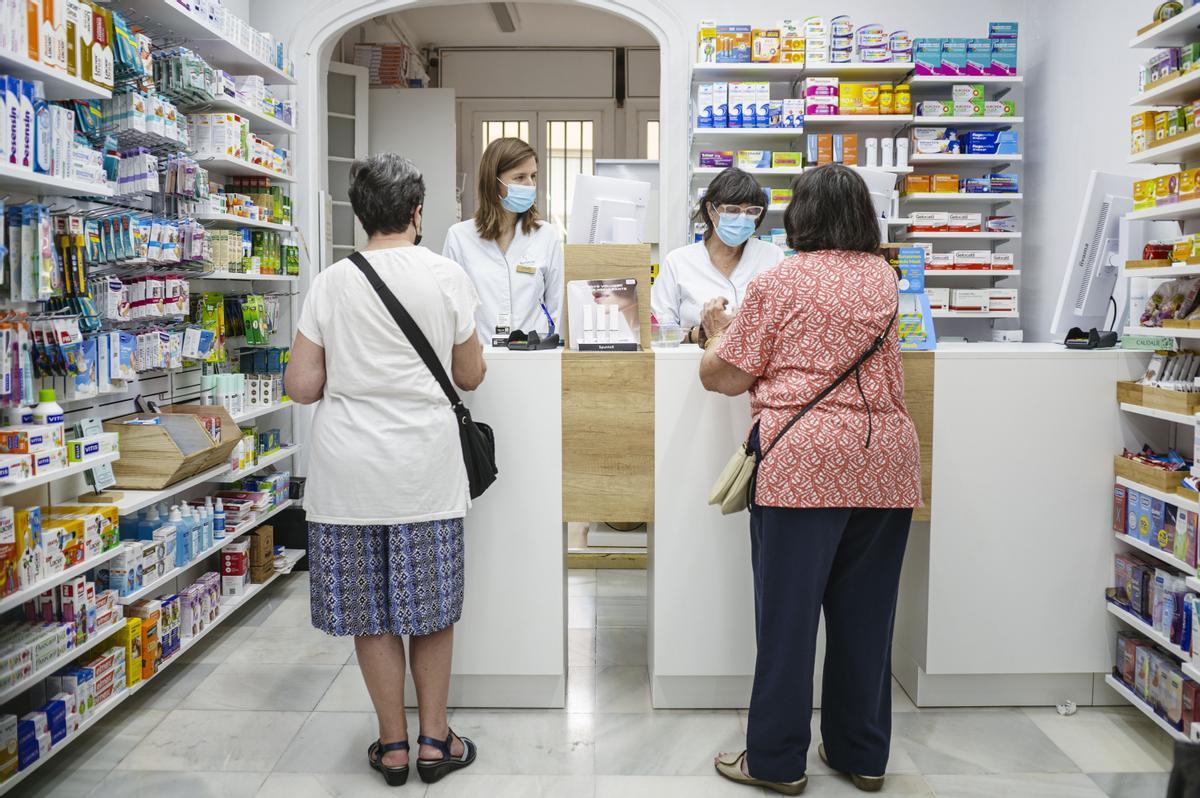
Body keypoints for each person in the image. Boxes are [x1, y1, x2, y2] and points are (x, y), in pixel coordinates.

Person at [700, 164, 921, 796]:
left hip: (801, 464)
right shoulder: (885, 276)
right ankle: (862, 754)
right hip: (885, 463)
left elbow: (726, 376)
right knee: (867, 618)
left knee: (788, 621)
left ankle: (775, 761)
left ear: (801, 216)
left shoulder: (781, 279)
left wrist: (717, 335)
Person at [285, 153, 486, 788]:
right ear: (417, 213)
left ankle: (392, 745)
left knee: (370, 612)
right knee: (430, 609)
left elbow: (301, 384)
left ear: (360, 215)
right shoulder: (447, 276)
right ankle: (435, 741)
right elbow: (470, 374)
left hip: (348, 476)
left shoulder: (331, 282)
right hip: (423, 470)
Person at [443, 136, 564, 343]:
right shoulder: (460, 237)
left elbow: (556, 308)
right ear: (494, 182)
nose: (530, 185)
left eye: (533, 176)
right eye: (519, 177)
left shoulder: (547, 236)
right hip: (482, 359)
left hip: (536, 359)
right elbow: (451, 310)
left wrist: (551, 355)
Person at [651, 167, 783, 344]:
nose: (742, 218)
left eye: (751, 212)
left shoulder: (772, 256)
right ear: (711, 210)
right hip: (693, 364)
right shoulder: (678, 261)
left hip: (757, 366)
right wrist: (696, 335)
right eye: (733, 210)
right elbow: (658, 329)